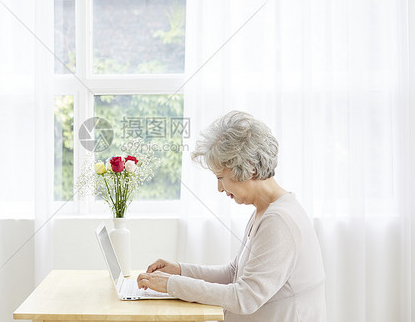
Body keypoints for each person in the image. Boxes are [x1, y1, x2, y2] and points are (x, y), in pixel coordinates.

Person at [137, 111, 326, 321]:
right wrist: (180, 271)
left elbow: (245, 297)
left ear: (249, 169)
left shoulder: (279, 220)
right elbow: (234, 273)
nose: (219, 188)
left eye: (221, 177)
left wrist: (171, 285)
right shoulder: (266, 210)